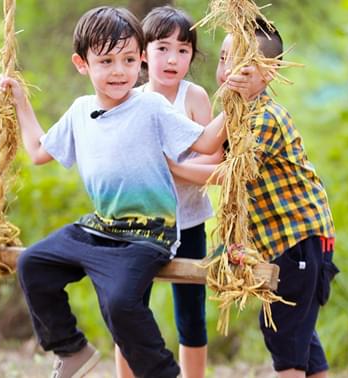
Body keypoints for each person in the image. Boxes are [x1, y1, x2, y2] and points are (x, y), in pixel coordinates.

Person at [0, 6, 227, 378]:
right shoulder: (79, 111)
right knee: (33, 264)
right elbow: (39, 151)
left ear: (141, 60)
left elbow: (206, 142)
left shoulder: (150, 105)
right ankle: (72, 350)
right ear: (82, 63)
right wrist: (21, 102)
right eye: (106, 61)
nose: (120, 71)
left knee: (121, 302)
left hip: (148, 233)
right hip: (101, 227)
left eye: (129, 59)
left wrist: (238, 98)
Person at [170, 19, 339, 378]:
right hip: (280, 241)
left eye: (240, 60)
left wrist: (172, 169)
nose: (226, 69)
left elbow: (227, 173)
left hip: (297, 239)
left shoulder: (266, 117)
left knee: (284, 333)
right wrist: (169, 167)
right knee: (300, 334)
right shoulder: (235, 113)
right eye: (223, 58)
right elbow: (211, 156)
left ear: (270, 72)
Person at [114, 6, 222, 378]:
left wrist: (173, 169)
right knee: (129, 307)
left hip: (189, 222)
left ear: (193, 55)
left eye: (182, 49)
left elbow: (215, 166)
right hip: (139, 224)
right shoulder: (131, 99)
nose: (172, 59)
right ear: (143, 53)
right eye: (162, 48)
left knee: (191, 312)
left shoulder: (195, 98)